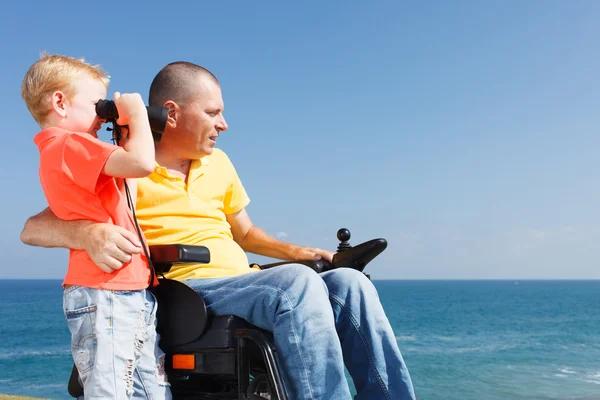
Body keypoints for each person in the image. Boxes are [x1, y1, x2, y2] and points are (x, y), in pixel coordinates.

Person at [20, 61, 416, 400]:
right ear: (171, 114)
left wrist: (314, 255)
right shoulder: (125, 165)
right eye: (212, 113)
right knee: (296, 285)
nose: (223, 125)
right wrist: (86, 234)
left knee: (350, 283)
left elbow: (246, 235)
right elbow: (33, 227)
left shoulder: (219, 163)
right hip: (188, 289)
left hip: (245, 283)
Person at [20, 54, 172, 400]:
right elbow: (143, 163)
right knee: (112, 391)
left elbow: (127, 187)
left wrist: (126, 133)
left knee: (151, 390)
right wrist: (135, 112)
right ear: (60, 102)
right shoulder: (69, 144)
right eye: (95, 104)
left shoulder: (66, 152)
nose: (101, 116)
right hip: (106, 292)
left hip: (124, 290)